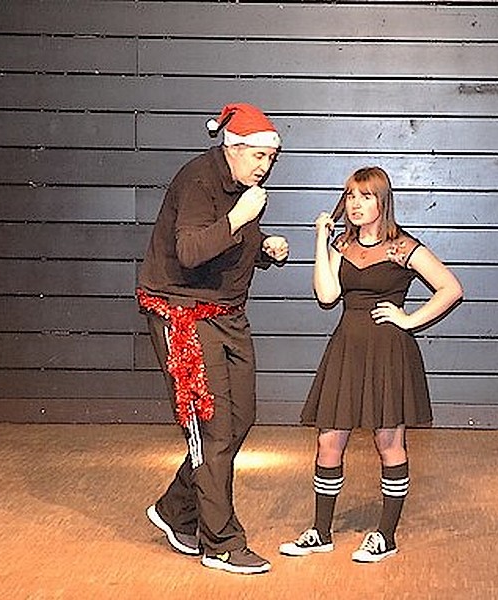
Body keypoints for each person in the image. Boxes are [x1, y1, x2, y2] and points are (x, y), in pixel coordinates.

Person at [279, 166, 463, 563]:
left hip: (387, 351)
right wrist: (321, 240)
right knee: (328, 440)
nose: (355, 204)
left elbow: (451, 288)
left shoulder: (403, 246)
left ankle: (385, 536)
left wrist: (409, 319)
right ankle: (321, 532)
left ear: (383, 201)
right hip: (347, 347)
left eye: (365, 197)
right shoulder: (342, 244)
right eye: (350, 196)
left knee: (388, 441)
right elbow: (327, 295)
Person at [137, 103, 288, 575]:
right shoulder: (199, 181)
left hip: (227, 313)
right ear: (233, 148)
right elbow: (188, 251)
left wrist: (262, 249)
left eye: (271, 158)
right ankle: (221, 543)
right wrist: (240, 220)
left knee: (240, 418)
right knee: (212, 429)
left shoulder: (244, 190)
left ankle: (175, 509)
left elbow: (220, 246)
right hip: (182, 313)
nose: (265, 166)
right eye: (259, 156)